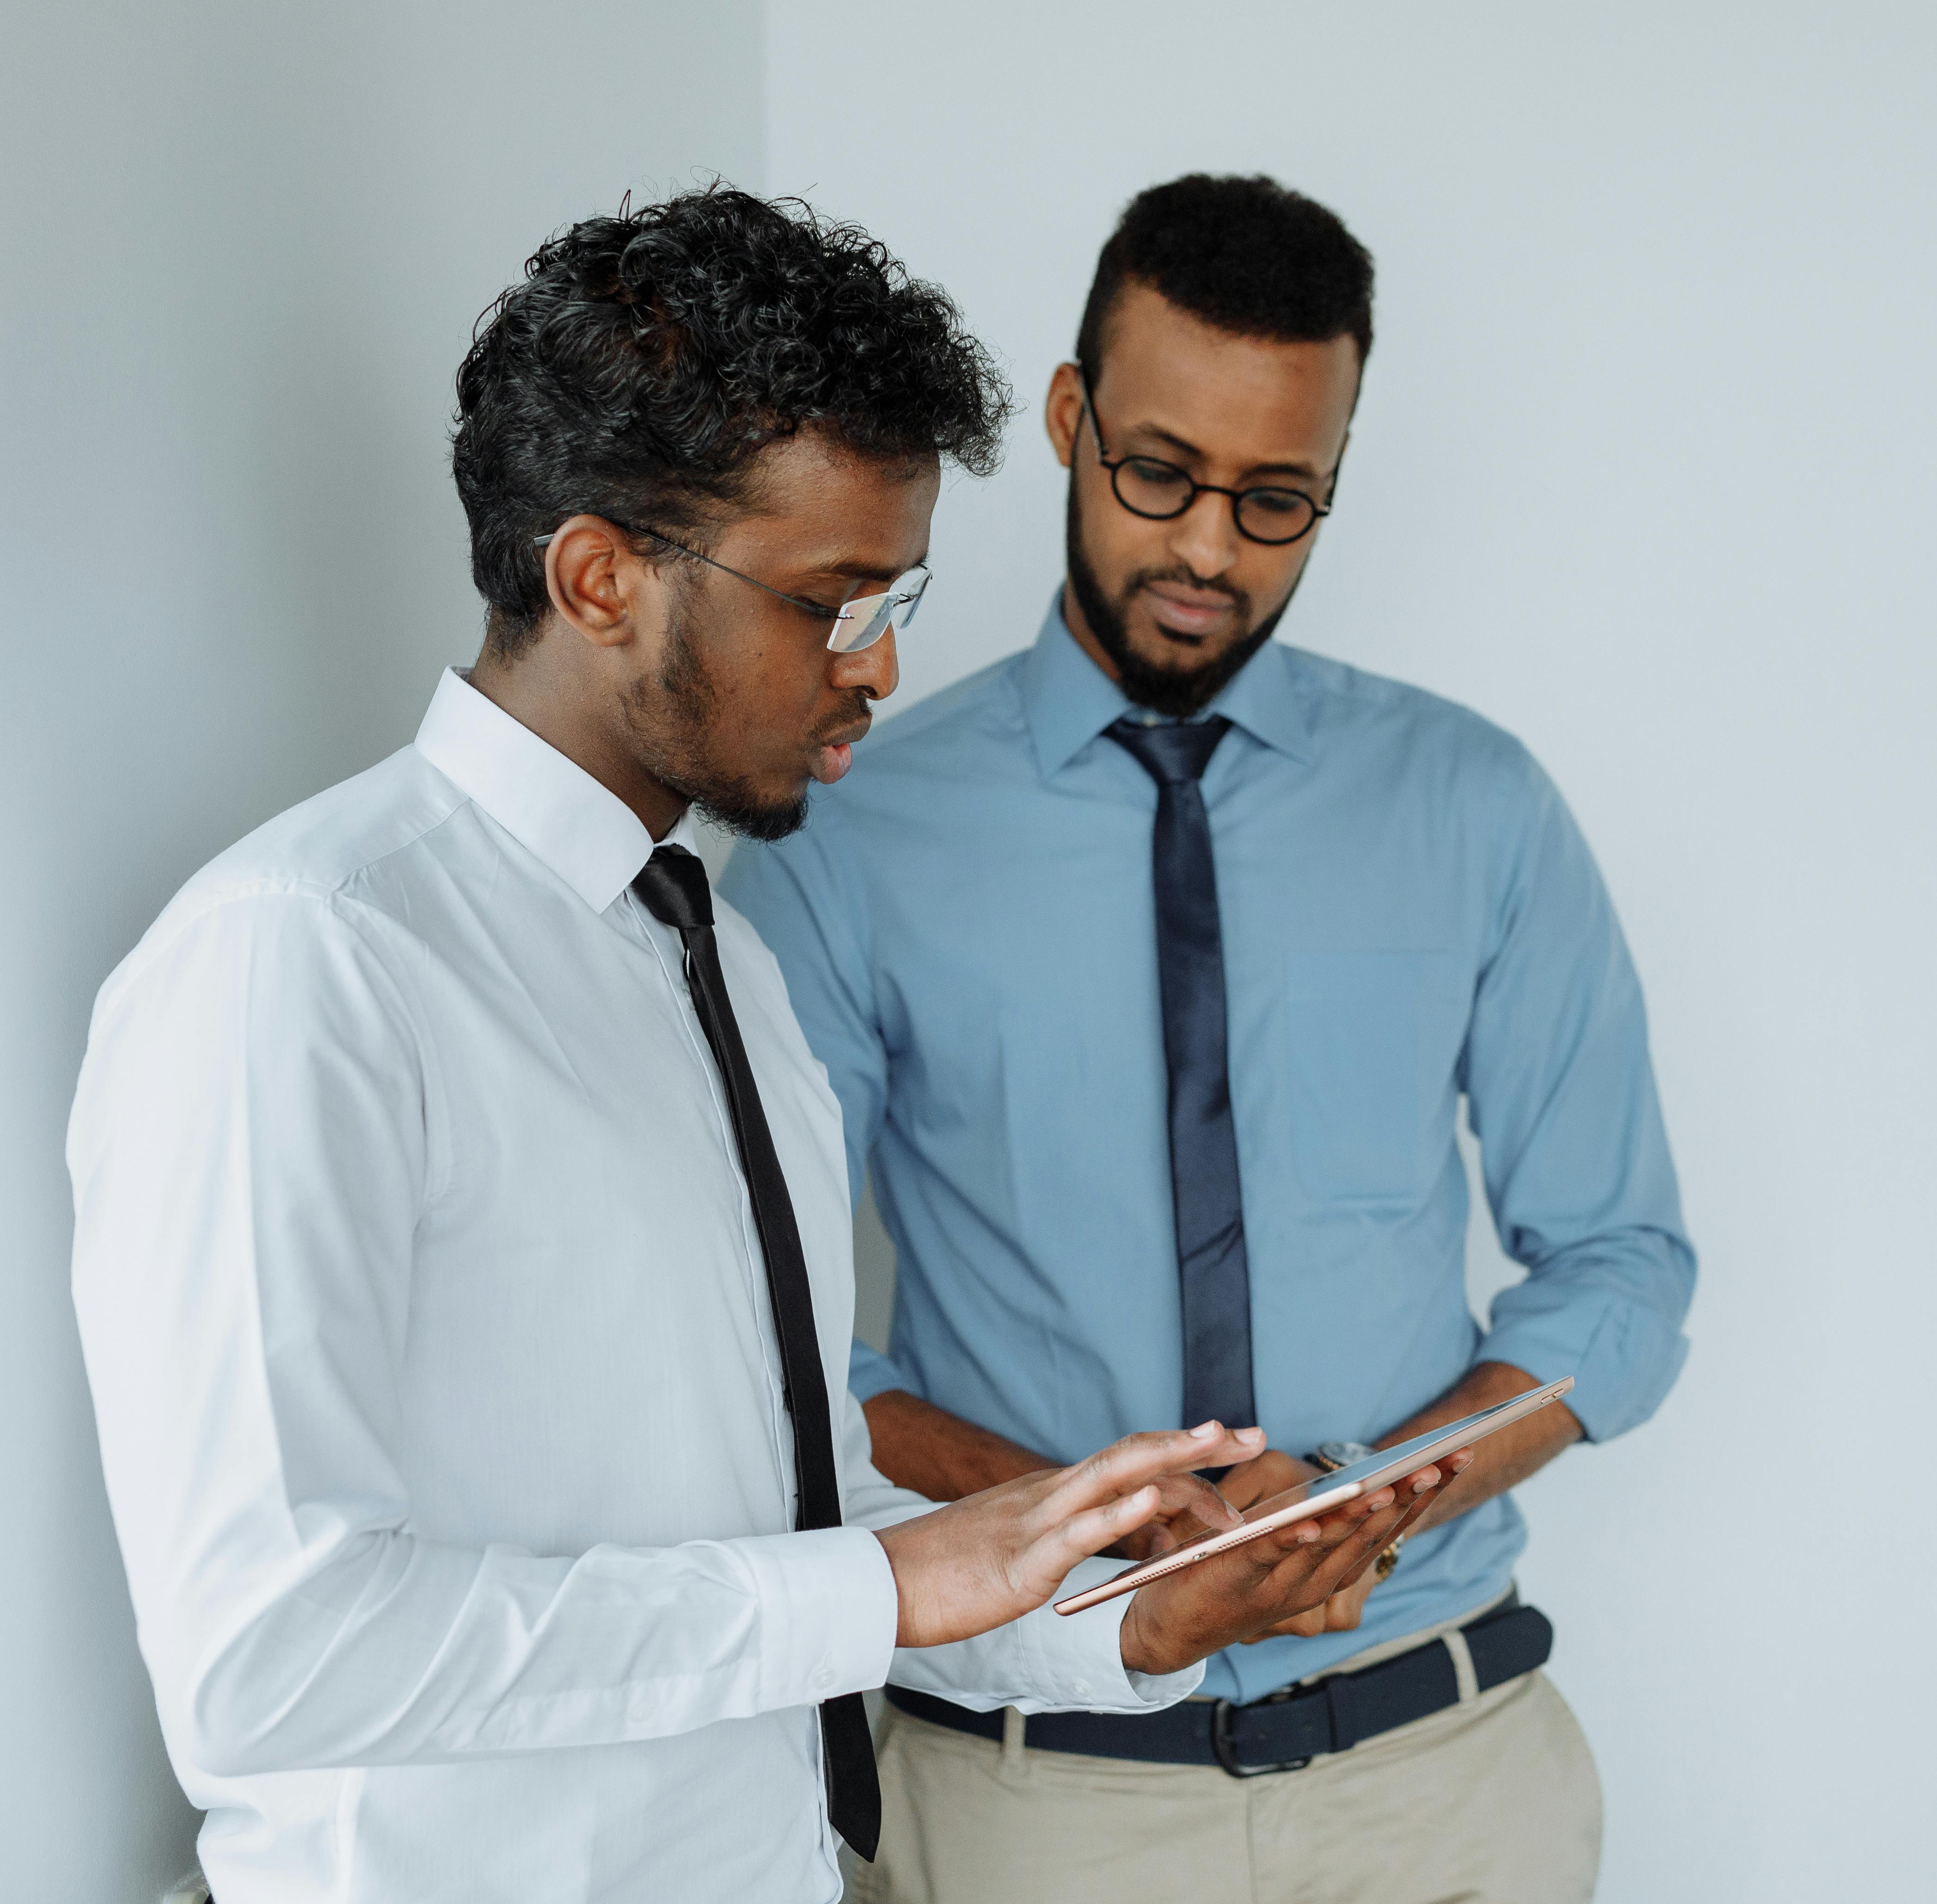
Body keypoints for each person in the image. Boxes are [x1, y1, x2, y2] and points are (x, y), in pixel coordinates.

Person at [65, 187, 1456, 1904]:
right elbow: (272, 1653)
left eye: (899, 591)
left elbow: (813, 1541)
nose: (878, 665)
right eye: (832, 598)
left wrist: (1123, 1615)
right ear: (598, 579)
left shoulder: (714, 961)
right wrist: (882, 1591)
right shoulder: (303, 962)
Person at [722, 172, 1694, 1904]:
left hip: (1443, 1779)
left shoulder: (1475, 805)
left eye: (1277, 502)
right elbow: (773, 1344)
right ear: (1072, 417)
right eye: (1160, 474)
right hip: (1039, 1805)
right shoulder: (849, 835)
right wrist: (1123, 1527)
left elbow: (1618, 1272)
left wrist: (1361, 1505)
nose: (1207, 553)